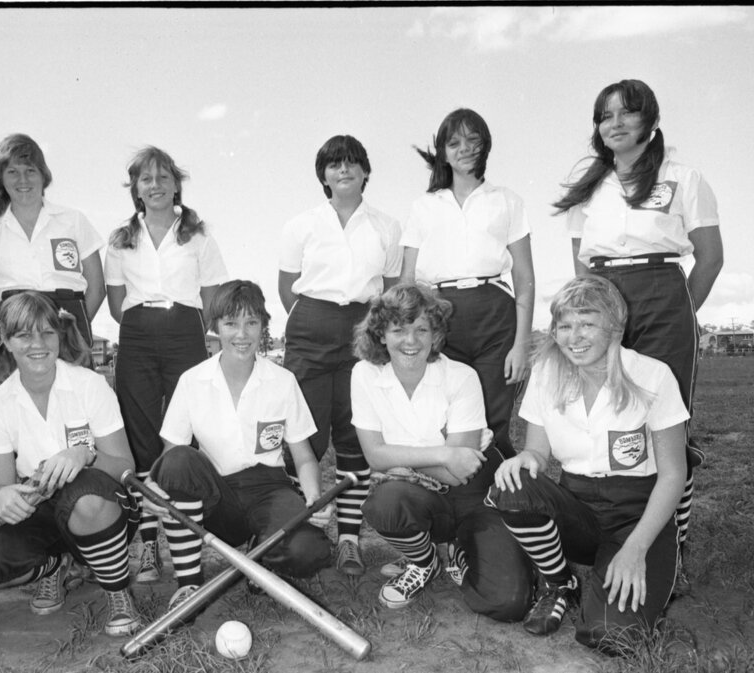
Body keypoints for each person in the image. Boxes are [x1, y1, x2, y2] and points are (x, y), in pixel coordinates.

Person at [554, 79, 722, 567]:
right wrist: (592, 317)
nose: (615, 124)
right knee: (613, 413)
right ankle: (617, 527)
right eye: (605, 116)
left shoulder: (684, 178)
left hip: (663, 293)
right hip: (605, 296)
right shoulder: (589, 187)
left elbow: (709, 258)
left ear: (650, 120)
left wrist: (679, 314)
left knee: (666, 426)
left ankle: (675, 547)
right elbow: (581, 266)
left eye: (627, 113)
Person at [486, 275, 688, 654]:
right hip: (576, 504)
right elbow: (537, 453)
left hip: (636, 513)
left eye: (586, 323)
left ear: (615, 325)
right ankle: (559, 581)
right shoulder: (547, 372)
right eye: (564, 325)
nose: (573, 337)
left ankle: (621, 572)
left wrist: (636, 548)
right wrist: (526, 458)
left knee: (610, 636)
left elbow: (674, 474)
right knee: (512, 486)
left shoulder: (652, 374)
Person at [141, 280, 333, 611]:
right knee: (178, 462)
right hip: (216, 497)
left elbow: (303, 457)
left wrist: (314, 497)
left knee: (311, 552)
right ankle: (190, 585)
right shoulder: (191, 381)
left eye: (251, 322)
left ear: (263, 327)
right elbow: (171, 455)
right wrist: (153, 484)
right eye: (231, 323)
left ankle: (261, 558)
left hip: (269, 489)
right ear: (215, 327)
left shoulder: (282, 381)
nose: (241, 334)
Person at [0, 292, 143, 637]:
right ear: (5, 340)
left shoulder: (90, 385)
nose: (38, 344)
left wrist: (84, 454)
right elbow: (2, 489)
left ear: (59, 335)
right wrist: (0, 496)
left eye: (47, 332)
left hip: (103, 509)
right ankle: (55, 567)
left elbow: (126, 467)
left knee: (84, 493)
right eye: (24, 335)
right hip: (45, 511)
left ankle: (117, 591)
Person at [351, 282, 533, 619]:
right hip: (419, 493)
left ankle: (463, 548)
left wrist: (403, 465)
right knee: (385, 503)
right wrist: (442, 454)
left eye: (422, 329)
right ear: (380, 335)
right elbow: (374, 455)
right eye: (399, 329)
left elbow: (461, 469)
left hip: (474, 490)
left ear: (436, 335)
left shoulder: (461, 376)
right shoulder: (364, 374)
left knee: (509, 602)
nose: (411, 340)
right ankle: (425, 562)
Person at [278, 134, 402, 576]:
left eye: (352, 163)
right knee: (305, 434)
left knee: (354, 436)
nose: (343, 170)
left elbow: (389, 290)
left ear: (366, 170)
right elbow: (286, 285)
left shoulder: (387, 226)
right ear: (323, 175)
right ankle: (300, 531)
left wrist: (367, 329)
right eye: (334, 165)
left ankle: (349, 538)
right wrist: (315, 320)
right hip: (310, 324)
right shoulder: (302, 224)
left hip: (362, 328)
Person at [104, 146, 229, 584]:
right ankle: (149, 544)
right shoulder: (121, 239)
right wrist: (148, 320)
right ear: (135, 189)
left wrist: (179, 322)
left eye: (162, 178)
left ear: (176, 183)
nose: (154, 186)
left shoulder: (198, 236)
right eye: (145, 179)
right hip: (137, 333)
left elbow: (212, 297)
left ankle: (185, 538)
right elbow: (118, 305)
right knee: (140, 439)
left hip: (184, 332)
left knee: (179, 437)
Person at [400, 108, 534, 460]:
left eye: (473, 140)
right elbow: (407, 281)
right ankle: (447, 495)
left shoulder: (507, 200)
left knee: (493, 417)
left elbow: (525, 278)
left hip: (495, 317)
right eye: (455, 142)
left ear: (485, 146)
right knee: (445, 411)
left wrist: (522, 344)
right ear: (443, 151)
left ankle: (494, 500)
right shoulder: (424, 206)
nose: (465, 148)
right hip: (440, 316)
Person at [0, 133, 105, 360]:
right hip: (14, 328)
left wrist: (73, 330)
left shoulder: (73, 220)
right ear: (0, 178)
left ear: (43, 175)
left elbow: (97, 288)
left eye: (30, 170)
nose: (23, 180)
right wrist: (8, 339)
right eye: (12, 172)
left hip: (68, 322)